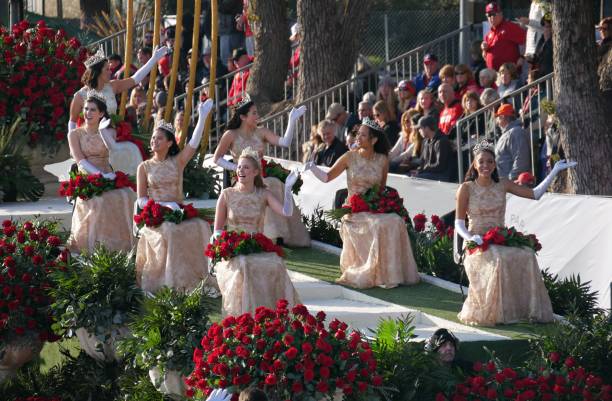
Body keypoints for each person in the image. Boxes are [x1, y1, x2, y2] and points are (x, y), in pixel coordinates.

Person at [454, 139, 576, 325]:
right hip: (475, 241)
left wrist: (555, 171)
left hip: (500, 238)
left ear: (495, 164)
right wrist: (471, 238)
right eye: (482, 161)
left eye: (490, 161)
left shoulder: (503, 183)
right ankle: (495, 313)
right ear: (475, 164)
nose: (486, 165)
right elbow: (458, 224)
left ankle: (527, 311)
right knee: (498, 259)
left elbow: (535, 194)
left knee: (527, 254)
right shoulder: (466, 188)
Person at [304, 118, 420, 289]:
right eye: (357, 133)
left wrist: (381, 204)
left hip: (374, 207)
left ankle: (392, 274)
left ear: (373, 140)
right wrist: (312, 167)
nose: (357, 137)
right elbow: (327, 177)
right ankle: (375, 274)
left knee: (395, 220)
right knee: (379, 225)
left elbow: (381, 189)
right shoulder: (349, 157)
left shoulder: (383, 160)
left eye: (363, 135)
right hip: (354, 210)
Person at [135, 100, 217, 293]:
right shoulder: (144, 167)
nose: (154, 141)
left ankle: (199, 278)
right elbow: (141, 199)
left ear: (170, 142)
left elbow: (193, 144)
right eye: (153, 138)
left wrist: (202, 117)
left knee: (201, 226)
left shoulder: (178, 161)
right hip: (157, 214)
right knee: (170, 230)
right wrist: (161, 207)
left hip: (179, 211)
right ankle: (169, 282)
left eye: (159, 138)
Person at [213, 95, 310, 247]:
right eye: (254, 113)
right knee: (268, 184)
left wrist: (292, 120)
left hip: (259, 176)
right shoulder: (231, 134)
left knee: (273, 183)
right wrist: (237, 167)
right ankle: (269, 235)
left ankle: (279, 236)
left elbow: (284, 142)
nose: (257, 116)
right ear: (243, 117)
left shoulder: (261, 131)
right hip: (241, 179)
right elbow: (217, 158)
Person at [212, 149, 301, 316]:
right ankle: (243, 314)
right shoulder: (227, 194)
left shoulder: (264, 194)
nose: (240, 171)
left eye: (245, 168)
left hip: (257, 244)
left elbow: (287, 212)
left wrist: (288, 188)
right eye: (239, 167)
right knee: (245, 263)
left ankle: (273, 312)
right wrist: (218, 243)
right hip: (234, 247)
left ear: (255, 172)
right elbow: (217, 230)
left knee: (276, 262)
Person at [66, 91, 136, 253]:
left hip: (108, 174)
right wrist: (100, 176)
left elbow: (115, 151)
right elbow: (80, 160)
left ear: (101, 113)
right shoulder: (74, 134)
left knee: (126, 195)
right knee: (100, 200)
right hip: (87, 177)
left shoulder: (109, 131)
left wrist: (104, 132)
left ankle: (119, 249)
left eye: (92, 110)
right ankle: (93, 248)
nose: (88, 113)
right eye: (86, 109)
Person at [69, 45, 169, 135]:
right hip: (90, 140)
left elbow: (135, 78)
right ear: (98, 73)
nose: (110, 71)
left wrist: (153, 59)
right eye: (107, 69)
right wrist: (74, 146)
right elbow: (72, 122)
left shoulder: (113, 86)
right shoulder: (80, 95)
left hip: (112, 135)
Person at [481, 2, 527, 71]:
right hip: (494, 76)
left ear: (501, 14)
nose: (492, 17)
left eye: (494, 14)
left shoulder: (509, 27)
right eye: (489, 15)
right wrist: (484, 50)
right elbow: (485, 56)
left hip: (510, 74)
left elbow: (527, 40)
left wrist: (522, 57)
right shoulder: (488, 34)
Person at [494, 104, 531, 180]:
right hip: (506, 185)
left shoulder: (516, 132)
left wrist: (511, 179)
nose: (497, 122)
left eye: (498, 118)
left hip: (512, 186)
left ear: (502, 117)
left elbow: (521, 159)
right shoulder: (509, 133)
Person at [416, 115, 452, 182]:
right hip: (430, 173)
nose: (419, 131)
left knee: (416, 179)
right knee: (409, 175)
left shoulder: (442, 141)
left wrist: (425, 168)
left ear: (426, 128)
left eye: (420, 128)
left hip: (442, 176)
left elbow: (440, 166)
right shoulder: (426, 141)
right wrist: (419, 169)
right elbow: (423, 161)